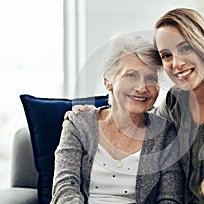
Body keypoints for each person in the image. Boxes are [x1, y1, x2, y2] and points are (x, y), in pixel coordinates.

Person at [66, 8, 204, 204]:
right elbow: (136, 117)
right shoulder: (174, 102)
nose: (176, 63)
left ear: (203, 45)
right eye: (166, 55)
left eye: (185, 48)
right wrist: (91, 115)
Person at [50, 34, 184, 204]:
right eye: (131, 75)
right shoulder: (78, 124)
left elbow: (170, 198)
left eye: (150, 78)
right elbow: (65, 189)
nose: (142, 87)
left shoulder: (165, 133)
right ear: (108, 81)